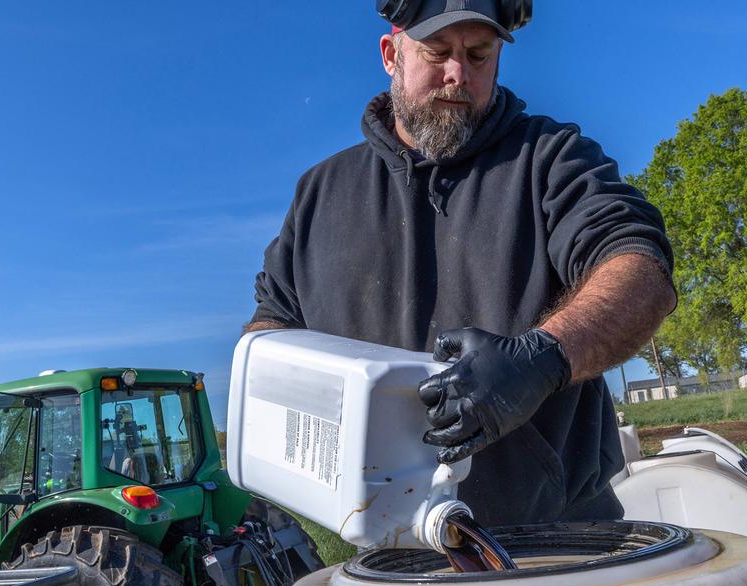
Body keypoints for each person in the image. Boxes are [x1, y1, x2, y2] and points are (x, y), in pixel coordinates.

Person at [243, 0, 676, 526]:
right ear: (391, 54)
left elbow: (636, 266)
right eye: (438, 52)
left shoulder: (550, 157)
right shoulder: (320, 194)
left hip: (556, 536)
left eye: (478, 54)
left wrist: (542, 359)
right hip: (376, 547)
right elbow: (270, 330)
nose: (457, 74)